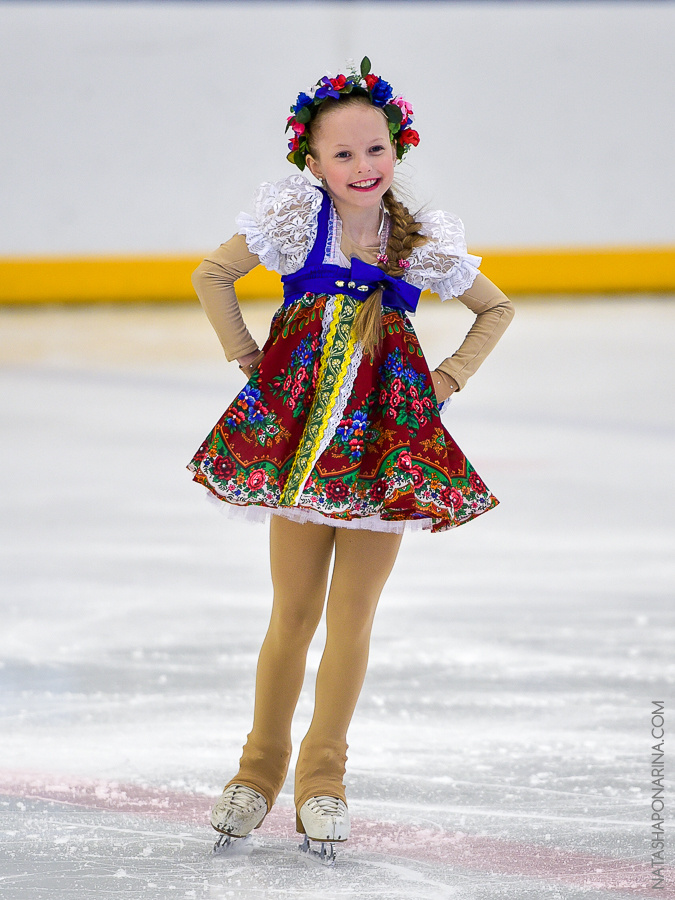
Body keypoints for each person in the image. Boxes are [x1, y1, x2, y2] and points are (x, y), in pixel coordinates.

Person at [187, 58, 514, 852]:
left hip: (384, 453)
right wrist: (249, 362)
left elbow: (494, 307)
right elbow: (212, 276)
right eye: (343, 155)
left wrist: (442, 382)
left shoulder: (419, 241)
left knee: (352, 618)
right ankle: (255, 773)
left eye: (375, 150)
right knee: (292, 614)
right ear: (312, 161)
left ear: (396, 148)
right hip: (301, 453)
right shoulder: (298, 225)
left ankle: (322, 779)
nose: (362, 168)